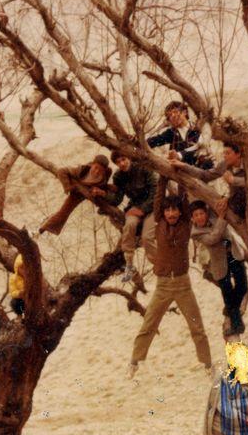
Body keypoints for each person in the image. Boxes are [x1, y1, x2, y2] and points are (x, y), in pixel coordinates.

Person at [128, 176, 212, 379]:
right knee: (149, 324)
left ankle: (208, 365)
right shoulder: (159, 223)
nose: (171, 213)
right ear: (163, 213)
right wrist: (163, 178)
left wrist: (177, 175)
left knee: (196, 327)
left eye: (174, 210)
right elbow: (158, 198)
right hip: (163, 286)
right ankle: (134, 362)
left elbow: (183, 198)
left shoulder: (185, 223)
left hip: (184, 286)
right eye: (168, 210)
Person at [190, 198, 248, 338]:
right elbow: (213, 238)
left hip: (233, 253)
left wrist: (224, 199)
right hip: (218, 263)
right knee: (227, 292)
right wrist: (222, 219)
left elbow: (219, 200)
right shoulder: (196, 232)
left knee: (242, 285)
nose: (200, 217)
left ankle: (230, 308)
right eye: (196, 215)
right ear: (192, 218)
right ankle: (237, 324)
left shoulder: (213, 214)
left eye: (201, 213)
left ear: (206, 212)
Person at [104, 150, 157, 282]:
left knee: (146, 238)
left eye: (124, 159)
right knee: (129, 225)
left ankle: (160, 264)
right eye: (118, 162)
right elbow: (117, 199)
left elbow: (155, 192)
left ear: (129, 158)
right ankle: (129, 264)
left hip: (153, 207)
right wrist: (102, 194)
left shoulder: (143, 167)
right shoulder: (118, 176)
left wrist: (143, 210)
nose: (121, 163)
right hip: (135, 207)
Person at [38, 155, 113, 235]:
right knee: (64, 211)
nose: (97, 172)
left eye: (100, 170)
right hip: (76, 190)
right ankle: (43, 229)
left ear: (104, 171)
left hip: (88, 192)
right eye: (95, 168)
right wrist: (68, 187)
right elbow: (61, 171)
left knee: (109, 195)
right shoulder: (81, 170)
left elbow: (104, 186)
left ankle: (45, 227)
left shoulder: (103, 179)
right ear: (92, 164)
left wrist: (97, 191)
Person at [174, 140, 247, 219]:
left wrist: (233, 180)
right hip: (235, 203)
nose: (225, 156)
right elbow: (205, 175)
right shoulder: (224, 164)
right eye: (224, 153)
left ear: (238, 154)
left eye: (228, 153)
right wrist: (184, 166)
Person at [147, 100, 214, 170]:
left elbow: (199, 147)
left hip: (201, 171)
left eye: (175, 112)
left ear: (184, 112)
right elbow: (155, 140)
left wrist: (179, 155)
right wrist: (139, 141)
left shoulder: (197, 129)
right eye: (169, 115)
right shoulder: (171, 132)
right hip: (181, 174)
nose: (173, 116)